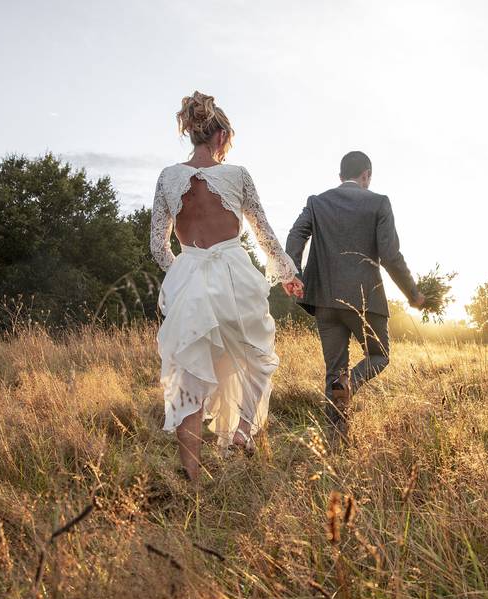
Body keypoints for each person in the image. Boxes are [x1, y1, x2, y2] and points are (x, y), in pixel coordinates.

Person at [150, 90, 304, 482]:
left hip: (190, 281)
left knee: (190, 376)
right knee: (256, 356)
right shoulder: (237, 175)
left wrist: (184, 273)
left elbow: (156, 245)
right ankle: (240, 432)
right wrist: (286, 274)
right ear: (220, 137)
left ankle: (193, 479)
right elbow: (264, 234)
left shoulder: (168, 177)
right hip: (236, 277)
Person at [285, 151, 424, 444]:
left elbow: (296, 235)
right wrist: (412, 293)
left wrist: (293, 274)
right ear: (367, 175)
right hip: (364, 301)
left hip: (324, 299)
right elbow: (390, 255)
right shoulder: (379, 203)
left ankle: (336, 443)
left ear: (340, 177)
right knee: (379, 355)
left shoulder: (317, 202)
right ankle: (351, 382)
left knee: (333, 371)